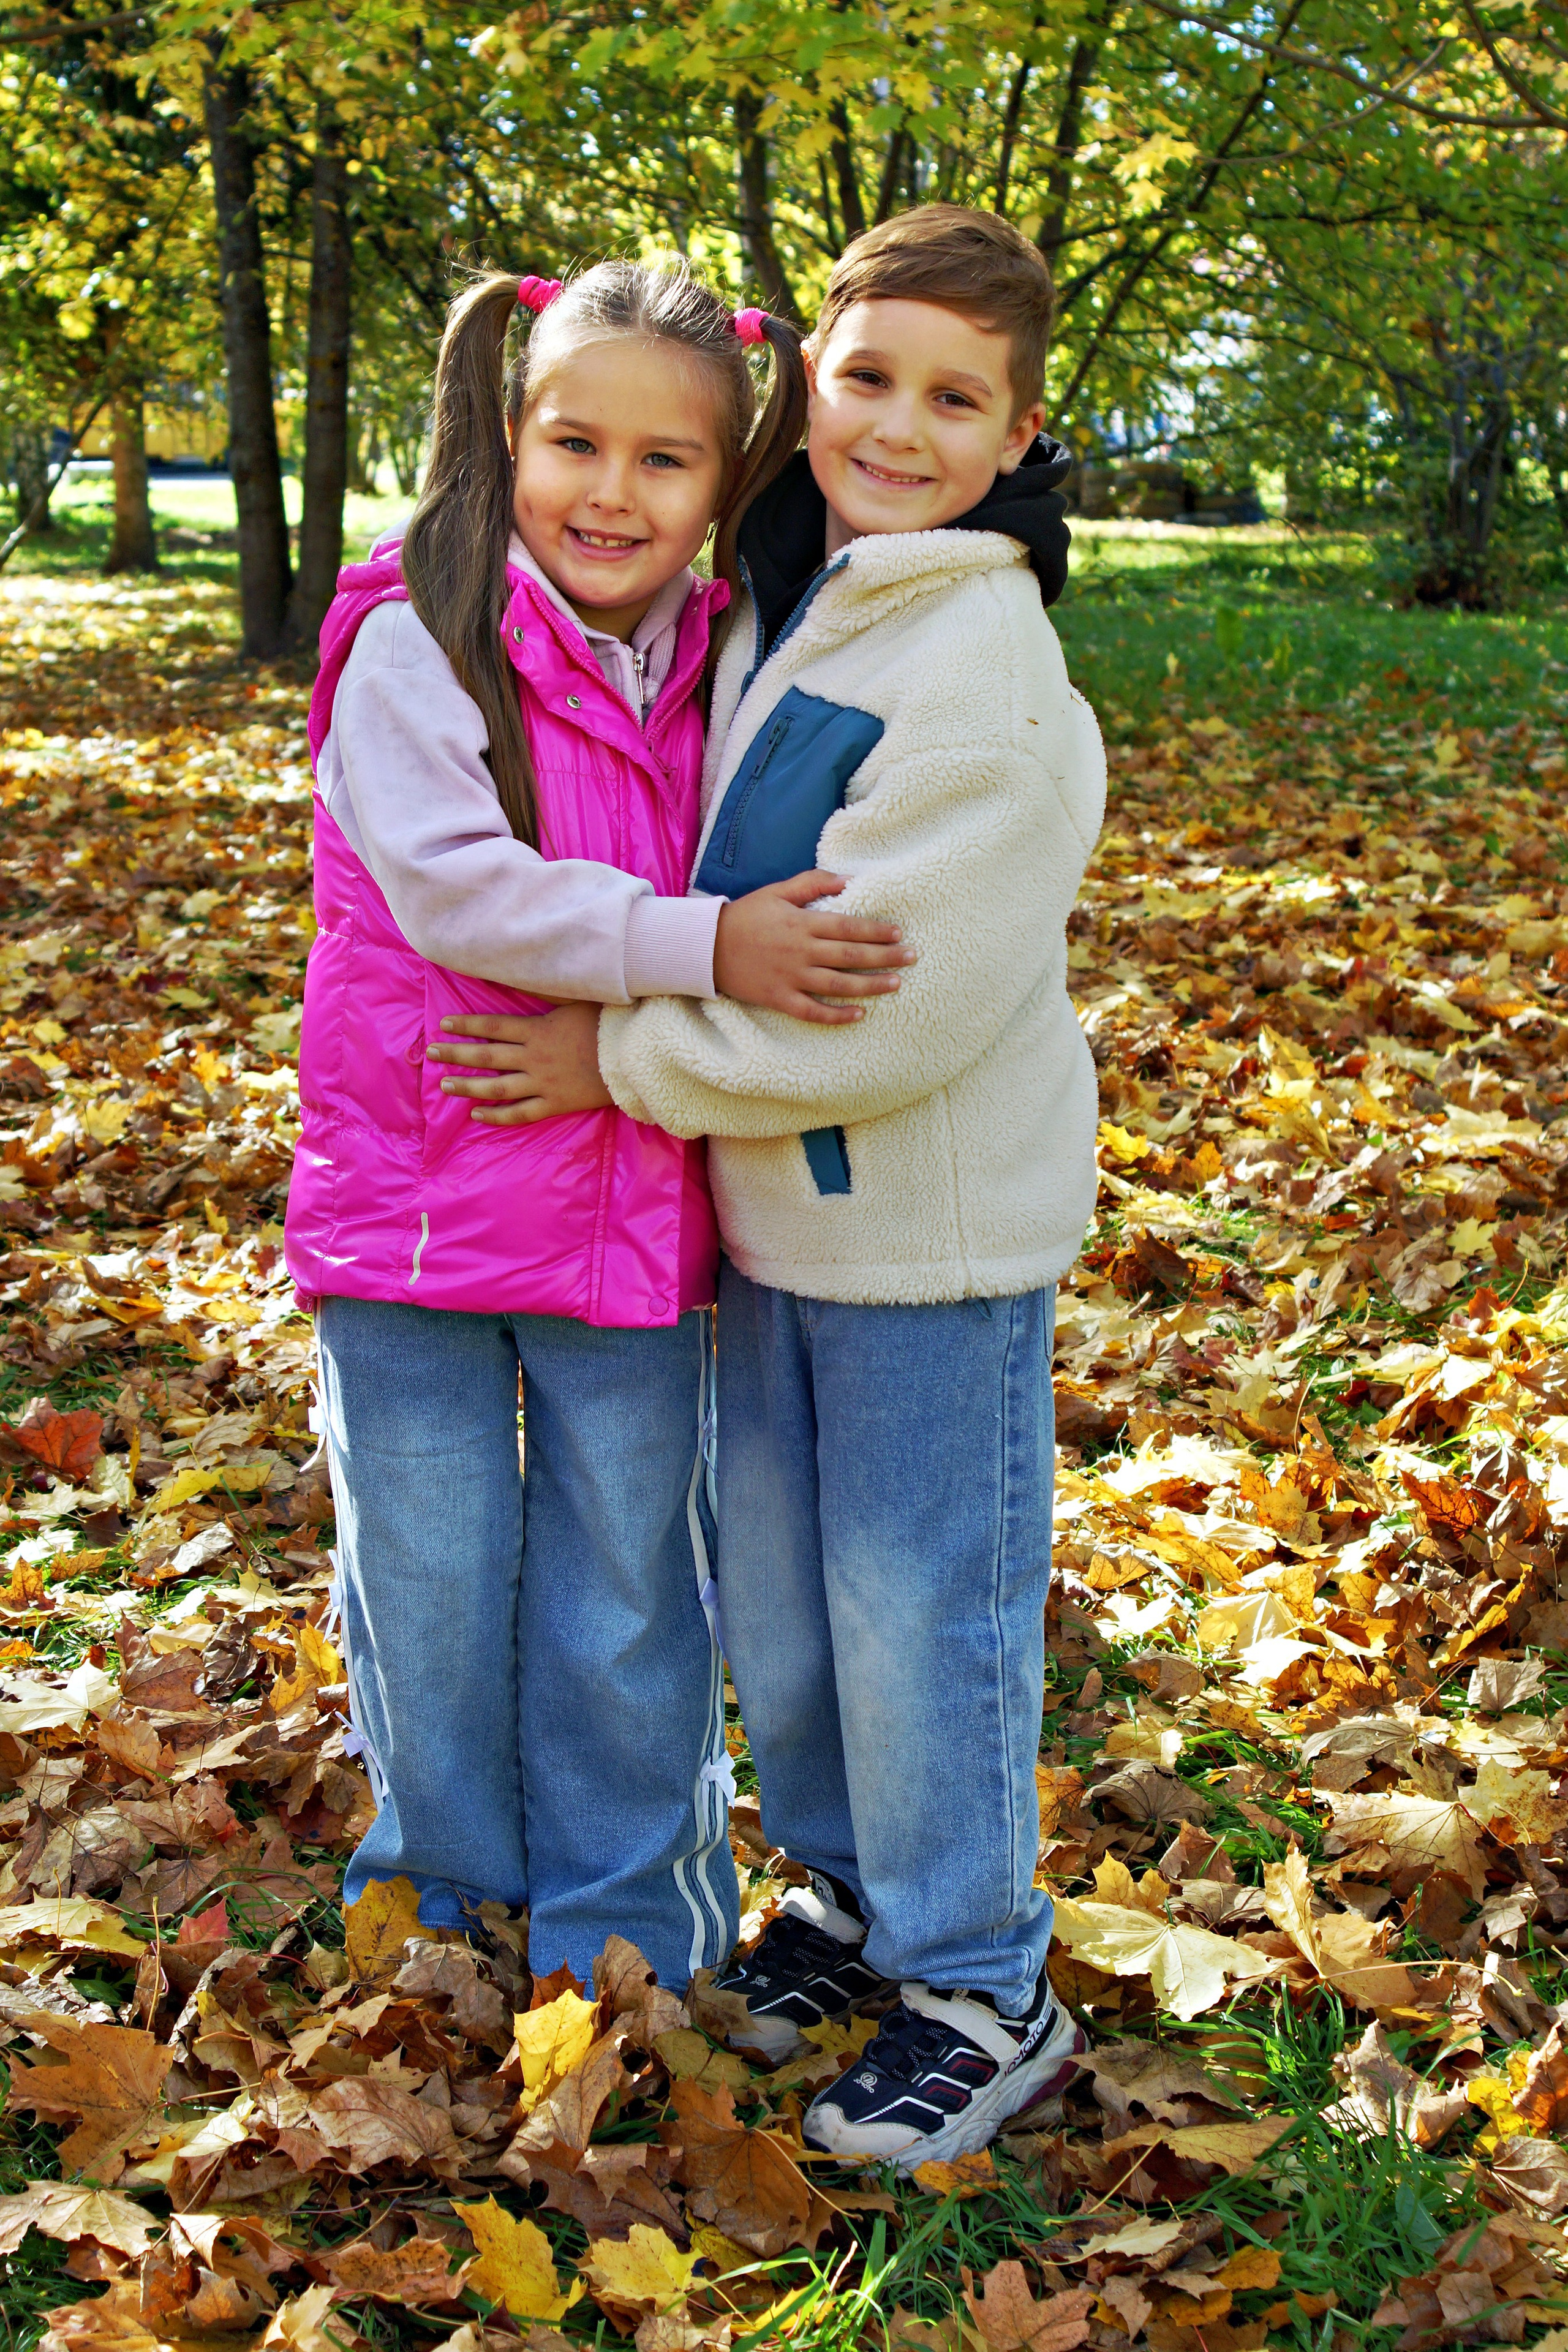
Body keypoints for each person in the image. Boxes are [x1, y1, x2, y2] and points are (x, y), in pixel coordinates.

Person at [440, 206, 1105, 2163]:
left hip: (932, 1246)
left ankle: (984, 1979)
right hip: (781, 1230)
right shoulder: (792, 598)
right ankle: (852, 1899)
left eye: (954, 397)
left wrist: (616, 1058)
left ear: (1015, 434)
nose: (899, 423)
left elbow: (888, 1009)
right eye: (869, 373)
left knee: (924, 1610)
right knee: (799, 1618)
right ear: (806, 376)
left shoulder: (987, 672)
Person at [286, 258, 911, 1990]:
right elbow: (462, 895)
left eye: (666, 463)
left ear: (725, 487)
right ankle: (440, 1891)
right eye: (577, 444)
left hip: (629, 1208)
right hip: (413, 1208)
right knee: (426, 1575)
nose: (611, 494)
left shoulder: (727, 663)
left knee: (630, 1590)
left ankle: (629, 1926)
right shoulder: (417, 635)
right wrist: (709, 953)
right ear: (510, 434)